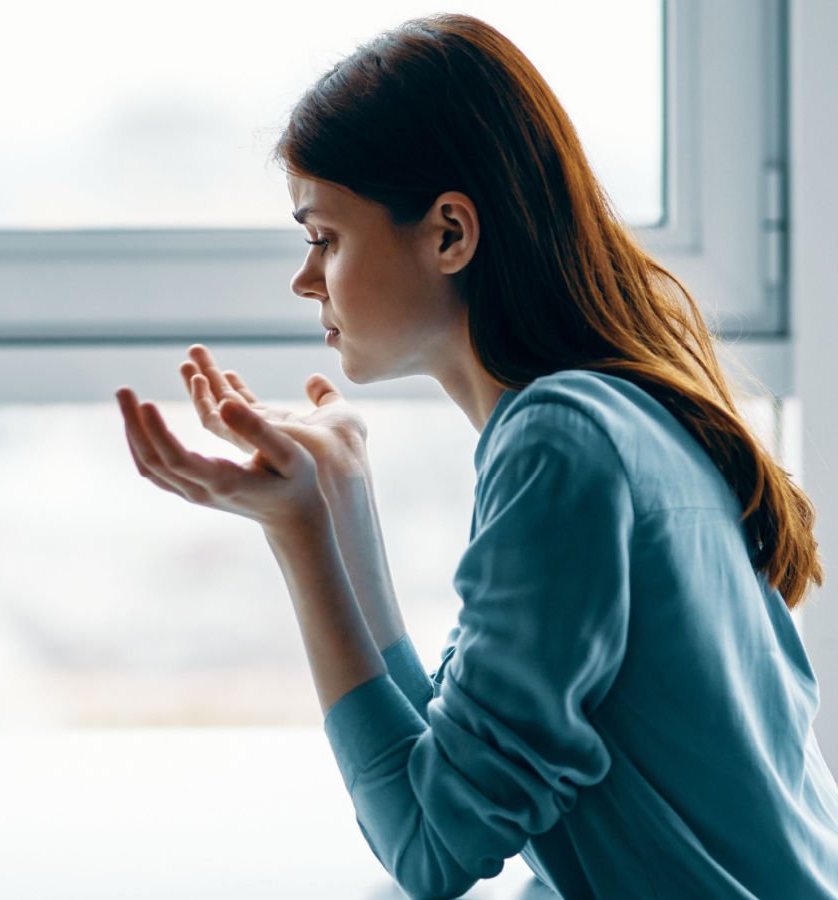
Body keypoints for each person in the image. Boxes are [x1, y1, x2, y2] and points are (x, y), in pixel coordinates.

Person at [116, 13, 838, 899]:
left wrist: (300, 540)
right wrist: (342, 500)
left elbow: (428, 848)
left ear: (451, 233)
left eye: (324, 237)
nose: (306, 280)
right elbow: (456, 765)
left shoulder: (558, 441)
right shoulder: (620, 418)